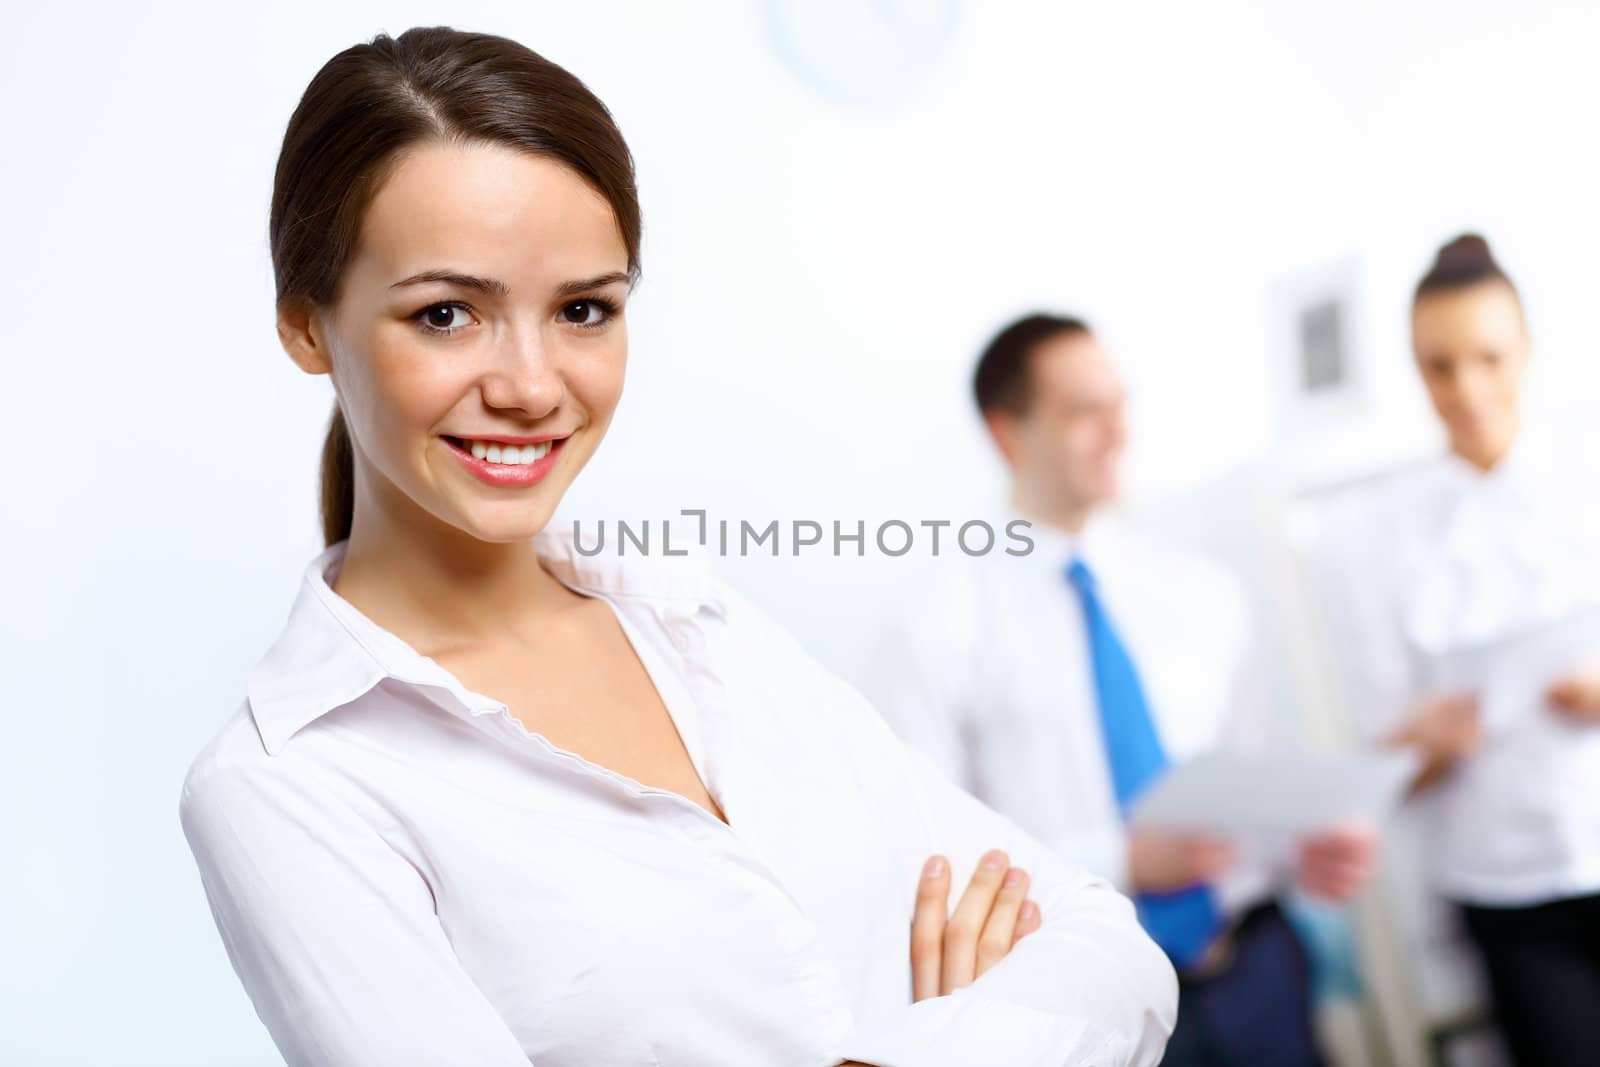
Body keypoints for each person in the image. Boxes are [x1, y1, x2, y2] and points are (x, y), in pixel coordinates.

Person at [175, 27, 1177, 1067]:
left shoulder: (701, 624)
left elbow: (1113, 953)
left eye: (582, 309)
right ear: (306, 325)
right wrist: (961, 1036)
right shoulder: (286, 785)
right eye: (446, 313)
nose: (529, 384)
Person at [872, 313, 1376, 1066]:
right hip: (1089, 1009)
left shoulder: (1199, 592)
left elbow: (1250, 778)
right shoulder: (941, 627)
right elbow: (930, 856)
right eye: (1083, 412)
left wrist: (1296, 846)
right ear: (1007, 431)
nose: (1117, 431)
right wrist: (1125, 859)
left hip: (1259, 970)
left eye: (1119, 404)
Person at [1311, 234, 1600, 1066]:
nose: (1466, 389)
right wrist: (1431, 741)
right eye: (1438, 367)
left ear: (1529, 351)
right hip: (1510, 895)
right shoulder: (1374, 544)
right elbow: (1385, 759)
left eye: (1488, 358)